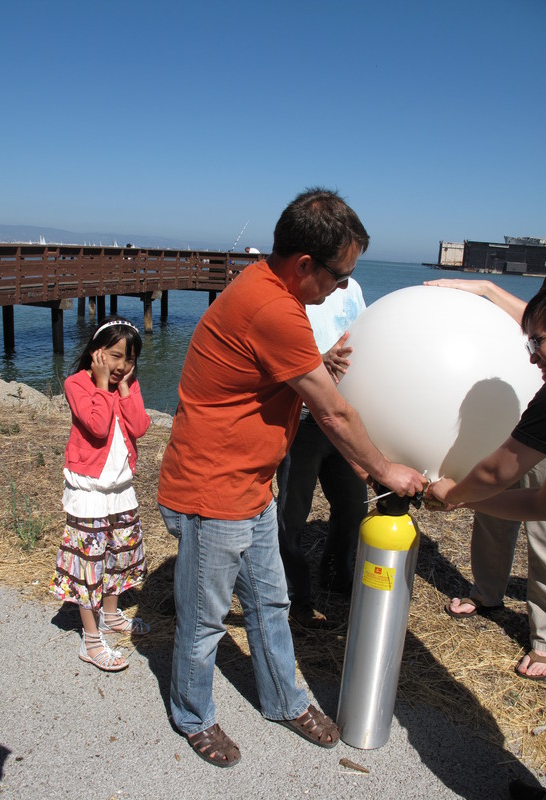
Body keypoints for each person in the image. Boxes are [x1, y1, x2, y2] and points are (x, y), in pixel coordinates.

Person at [157, 188, 427, 768]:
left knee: (271, 603)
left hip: (251, 486)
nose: (344, 288)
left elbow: (271, 376)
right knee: (205, 622)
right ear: (305, 264)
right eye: (339, 275)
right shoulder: (273, 306)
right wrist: (383, 469)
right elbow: (333, 413)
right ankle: (192, 715)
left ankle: (284, 700)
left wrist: (315, 370)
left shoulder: (269, 288)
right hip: (212, 490)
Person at [424, 275, 546, 680]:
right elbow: (541, 503)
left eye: (537, 345)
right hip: (516, 418)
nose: (532, 357)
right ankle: (487, 593)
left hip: (532, 424)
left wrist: (453, 494)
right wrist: (485, 289)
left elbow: (498, 472)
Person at [50, 315, 151, 672]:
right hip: (89, 491)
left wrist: (124, 389)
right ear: (96, 353)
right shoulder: (77, 383)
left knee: (119, 555)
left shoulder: (128, 384)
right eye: (115, 355)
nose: (122, 365)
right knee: (88, 564)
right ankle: (91, 640)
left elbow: (139, 426)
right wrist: (103, 385)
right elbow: (96, 425)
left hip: (120, 489)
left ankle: (110, 615)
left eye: (130, 359)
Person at [277, 277, 367, 627]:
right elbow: (277, 352)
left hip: (345, 415)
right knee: (292, 513)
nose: (344, 276)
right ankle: (294, 594)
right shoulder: (292, 291)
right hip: (303, 418)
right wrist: (317, 362)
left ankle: (336, 571)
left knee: (353, 505)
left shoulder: (353, 288)